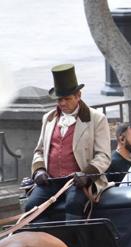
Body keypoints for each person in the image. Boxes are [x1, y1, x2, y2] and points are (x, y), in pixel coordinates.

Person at [26, 64, 111, 220]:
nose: (63, 103)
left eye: (67, 98)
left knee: (74, 204)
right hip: (50, 181)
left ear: (78, 95)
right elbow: (39, 151)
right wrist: (39, 170)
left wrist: (86, 175)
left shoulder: (97, 119)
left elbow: (104, 156)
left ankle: (73, 243)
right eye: (59, 99)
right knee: (31, 206)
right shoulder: (48, 118)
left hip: (78, 182)